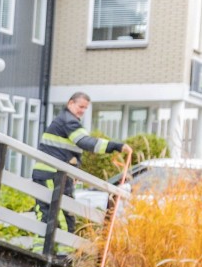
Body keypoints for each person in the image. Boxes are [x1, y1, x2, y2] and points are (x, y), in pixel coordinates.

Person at [33, 91, 133, 234]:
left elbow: (68, 151)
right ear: (70, 103)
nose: (83, 111)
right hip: (52, 174)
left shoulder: (64, 120)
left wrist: (73, 167)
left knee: (48, 213)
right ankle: (62, 253)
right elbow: (85, 142)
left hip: (51, 173)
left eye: (85, 108)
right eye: (81, 106)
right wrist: (115, 146)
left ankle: (47, 250)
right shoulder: (69, 122)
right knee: (61, 214)